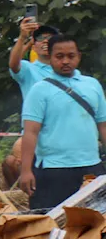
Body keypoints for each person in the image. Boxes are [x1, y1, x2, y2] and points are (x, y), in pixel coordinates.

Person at [17, 35, 106, 210]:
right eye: (59, 56)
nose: (65, 61)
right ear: (49, 58)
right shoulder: (40, 90)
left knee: (95, 227)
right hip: (53, 170)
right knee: (50, 225)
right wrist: (26, 171)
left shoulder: (92, 85)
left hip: (91, 167)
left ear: (78, 57)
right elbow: (31, 132)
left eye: (71, 56)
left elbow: (103, 125)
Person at [10, 19, 67, 98]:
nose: (45, 41)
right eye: (40, 38)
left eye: (50, 38)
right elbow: (14, 64)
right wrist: (22, 37)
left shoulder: (68, 70)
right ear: (33, 47)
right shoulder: (28, 69)